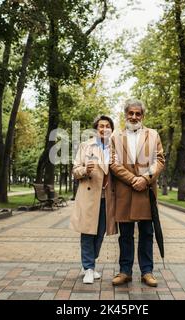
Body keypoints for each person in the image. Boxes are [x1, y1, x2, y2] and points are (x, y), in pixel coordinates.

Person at [110, 99, 165, 287]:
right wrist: (133, 179)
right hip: (125, 191)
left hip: (146, 192)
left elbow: (159, 160)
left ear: (143, 116)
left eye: (138, 113)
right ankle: (125, 271)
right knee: (125, 234)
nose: (134, 117)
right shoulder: (116, 136)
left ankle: (147, 272)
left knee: (146, 233)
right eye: (131, 113)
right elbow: (113, 163)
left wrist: (145, 178)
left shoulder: (153, 135)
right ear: (125, 114)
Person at [70, 115, 117, 284]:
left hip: (107, 197)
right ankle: (89, 268)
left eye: (107, 126)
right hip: (89, 195)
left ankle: (88, 262)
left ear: (112, 129)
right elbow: (75, 170)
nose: (104, 129)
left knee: (100, 233)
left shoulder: (116, 148)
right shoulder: (86, 145)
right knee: (88, 232)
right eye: (100, 126)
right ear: (96, 129)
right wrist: (85, 170)